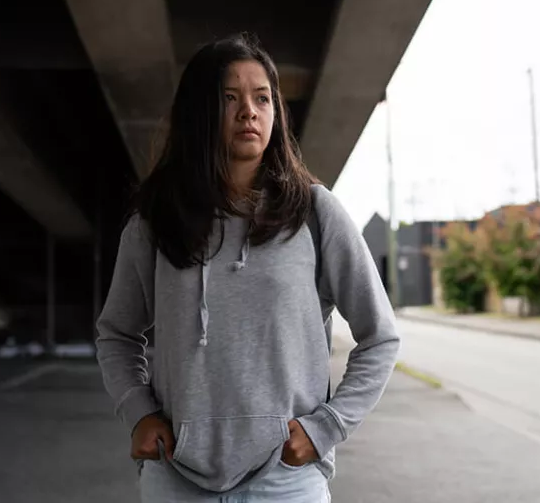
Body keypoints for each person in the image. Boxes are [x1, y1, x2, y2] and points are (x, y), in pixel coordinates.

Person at [96, 34, 400, 502]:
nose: (249, 112)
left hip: (285, 478)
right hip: (176, 476)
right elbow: (117, 333)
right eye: (230, 98)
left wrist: (327, 427)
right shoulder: (155, 222)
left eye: (262, 98)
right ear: (199, 111)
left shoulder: (314, 213)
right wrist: (139, 412)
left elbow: (380, 335)